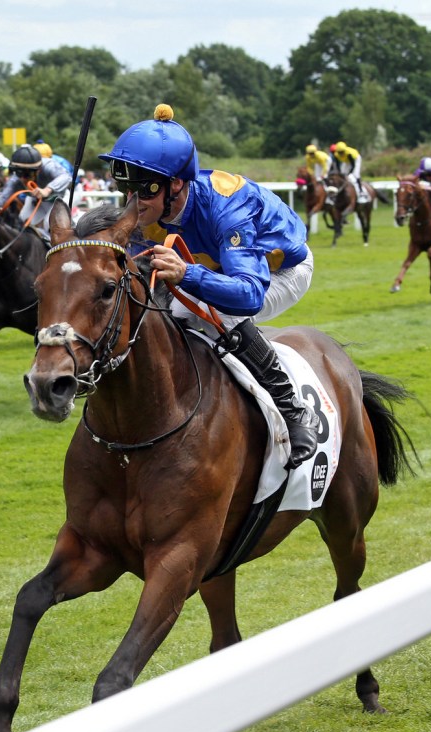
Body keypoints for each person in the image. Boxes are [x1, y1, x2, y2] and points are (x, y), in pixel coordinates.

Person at [100, 104, 318, 469]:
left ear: (176, 185)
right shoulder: (147, 212)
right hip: (213, 266)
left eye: (145, 191)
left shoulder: (228, 207)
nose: (134, 203)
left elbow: (247, 294)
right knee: (161, 316)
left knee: (214, 310)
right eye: (127, 190)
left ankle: (293, 410)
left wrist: (186, 274)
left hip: (279, 270)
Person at [0, 143, 72, 245]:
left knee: (49, 223)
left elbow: (66, 177)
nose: (22, 178)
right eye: (19, 173)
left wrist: (47, 190)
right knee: (22, 219)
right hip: (39, 199)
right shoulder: (17, 178)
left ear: (38, 170)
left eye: (27, 174)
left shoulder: (48, 165)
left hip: (61, 197)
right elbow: (5, 192)